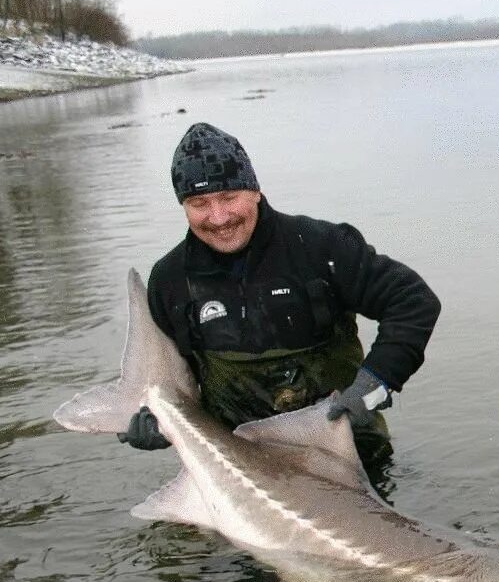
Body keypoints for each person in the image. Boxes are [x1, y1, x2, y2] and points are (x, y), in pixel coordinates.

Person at [118, 122, 441, 470]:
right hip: (236, 462)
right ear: (184, 205)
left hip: (350, 453)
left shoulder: (320, 246)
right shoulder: (170, 280)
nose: (218, 217)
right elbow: (175, 383)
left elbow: (413, 301)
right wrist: (159, 421)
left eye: (229, 197)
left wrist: (374, 387)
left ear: (255, 191)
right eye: (200, 203)